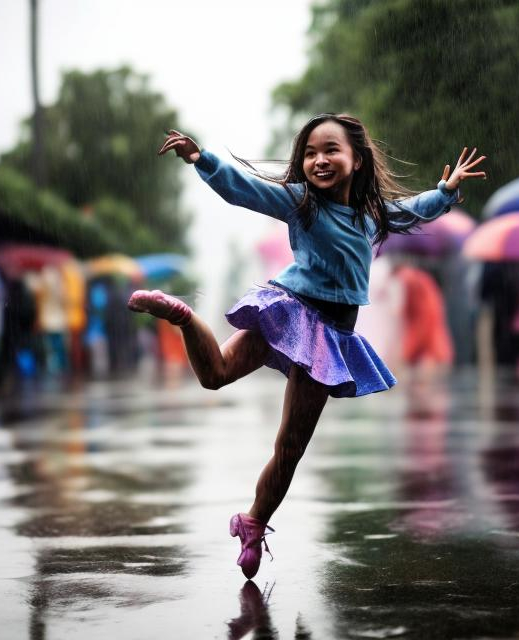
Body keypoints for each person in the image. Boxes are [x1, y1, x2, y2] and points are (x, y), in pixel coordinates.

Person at [128, 114, 486, 579]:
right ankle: (183, 315)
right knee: (215, 375)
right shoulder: (301, 203)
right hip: (290, 310)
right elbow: (249, 191)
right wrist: (203, 159)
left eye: (331, 150)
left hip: (331, 335)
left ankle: (254, 523)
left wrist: (446, 190)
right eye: (311, 153)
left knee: (290, 445)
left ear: (356, 160)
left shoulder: (370, 214)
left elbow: (412, 210)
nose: (319, 160)